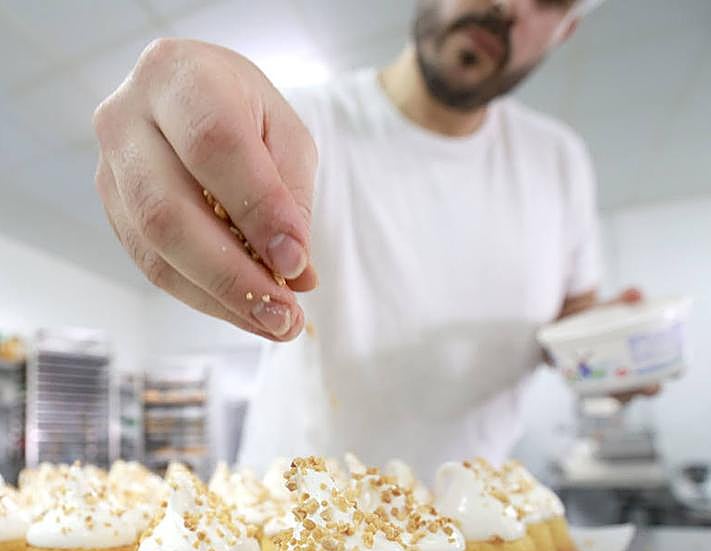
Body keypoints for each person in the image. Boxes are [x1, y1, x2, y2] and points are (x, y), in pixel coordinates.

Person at [93, 0, 657, 480]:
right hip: (293, 515)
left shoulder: (559, 162)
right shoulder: (302, 125)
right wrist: (174, 119)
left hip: (469, 522)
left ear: (567, 30)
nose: (508, 5)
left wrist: (617, 353)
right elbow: (201, 149)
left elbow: (572, 329)